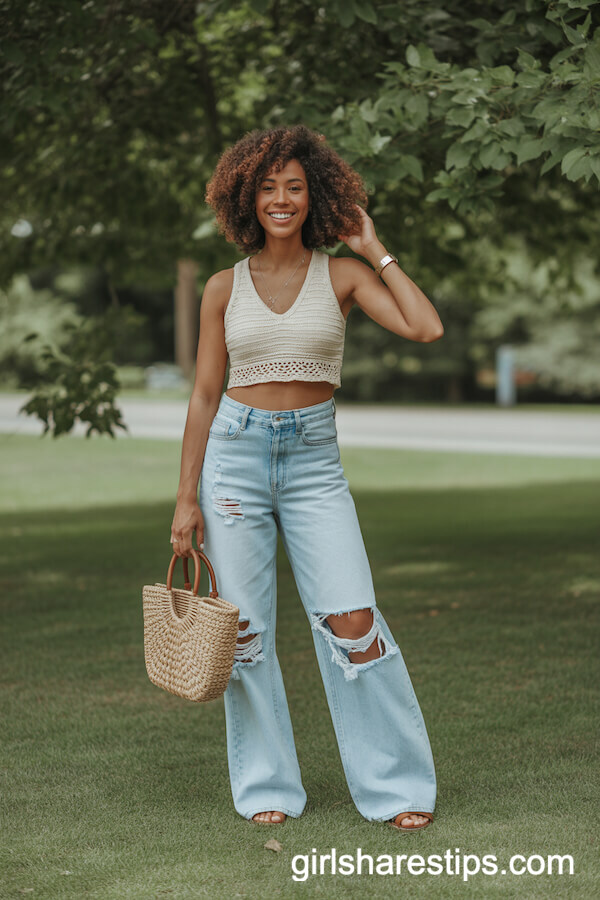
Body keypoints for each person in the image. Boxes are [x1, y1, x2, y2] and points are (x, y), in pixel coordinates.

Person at [170, 124, 444, 830]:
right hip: (233, 459)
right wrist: (184, 499)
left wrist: (371, 245)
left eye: (294, 186)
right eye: (267, 188)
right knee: (248, 630)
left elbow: (425, 328)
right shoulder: (223, 287)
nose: (281, 199)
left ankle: (395, 786)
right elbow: (204, 394)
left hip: (313, 464)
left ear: (315, 194)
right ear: (245, 199)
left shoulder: (344, 275)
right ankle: (266, 787)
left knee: (353, 618)